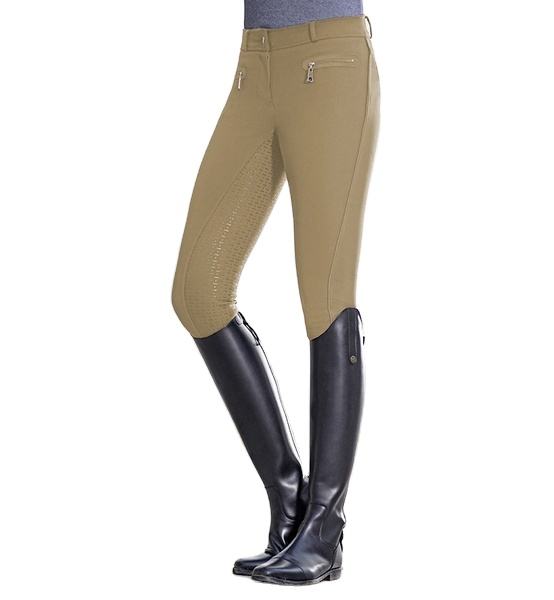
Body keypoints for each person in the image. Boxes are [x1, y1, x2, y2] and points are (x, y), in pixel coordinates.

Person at [172, 0, 379, 585]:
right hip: (254, 68)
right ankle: (289, 498)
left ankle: (324, 529)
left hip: (330, 63)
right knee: (197, 292)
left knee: (325, 294)